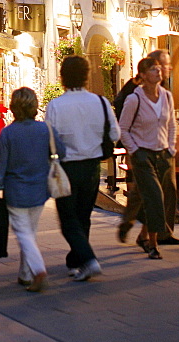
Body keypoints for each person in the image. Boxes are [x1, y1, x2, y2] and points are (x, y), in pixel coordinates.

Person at [44, 55, 121, 282]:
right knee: (83, 215)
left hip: (66, 167)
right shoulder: (101, 102)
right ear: (87, 76)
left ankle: (87, 259)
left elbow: (49, 139)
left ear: (63, 77)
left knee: (68, 218)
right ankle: (76, 260)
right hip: (92, 167)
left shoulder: (56, 105)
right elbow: (115, 134)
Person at [0, 87, 64, 293]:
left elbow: (1, 164)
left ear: (14, 108)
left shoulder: (8, 133)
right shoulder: (45, 130)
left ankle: (39, 271)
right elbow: (62, 151)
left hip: (16, 190)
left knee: (23, 233)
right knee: (30, 231)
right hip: (40, 189)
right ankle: (25, 273)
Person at [117, 52, 179, 261]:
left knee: (158, 195)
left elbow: (172, 124)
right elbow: (123, 129)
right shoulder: (133, 98)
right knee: (154, 196)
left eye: (159, 68)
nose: (159, 72)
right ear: (143, 75)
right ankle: (153, 243)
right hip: (143, 154)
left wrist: (171, 148)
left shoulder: (166, 96)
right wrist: (135, 150)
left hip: (163, 153)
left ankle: (142, 234)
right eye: (154, 69)